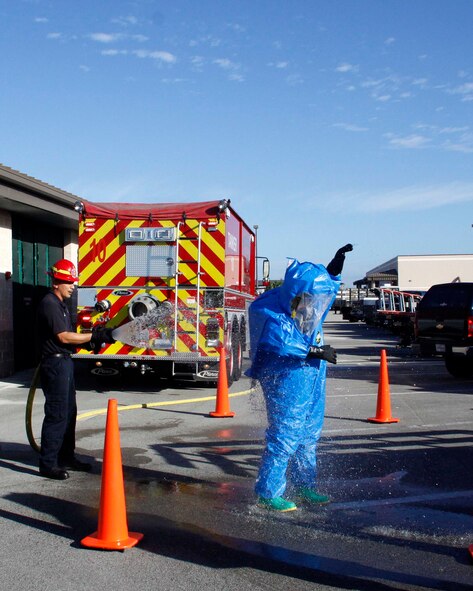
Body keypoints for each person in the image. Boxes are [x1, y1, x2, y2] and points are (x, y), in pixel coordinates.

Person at [246, 244, 353, 511]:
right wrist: (316, 350)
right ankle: (268, 492)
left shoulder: (311, 305)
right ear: (298, 294)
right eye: (312, 299)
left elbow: (324, 293)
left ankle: (305, 485)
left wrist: (334, 271)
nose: (317, 306)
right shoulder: (272, 310)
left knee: (309, 433)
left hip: (312, 375)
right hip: (286, 378)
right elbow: (282, 343)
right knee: (285, 434)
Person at [36, 259, 115, 480]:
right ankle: (48, 464)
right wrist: (94, 336)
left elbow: (69, 339)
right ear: (56, 283)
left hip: (65, 361)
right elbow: (63, 336)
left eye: (73, 282)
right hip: (55, 364)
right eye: (68, 282)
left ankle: (66, 457)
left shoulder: (61, 304)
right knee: (57, 413)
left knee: (70, 413)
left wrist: (88, 343)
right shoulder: (49, 303)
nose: (72, 286)